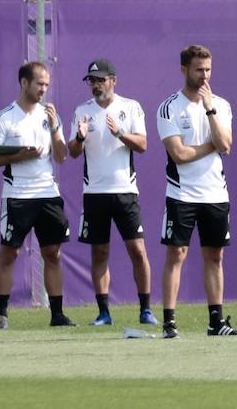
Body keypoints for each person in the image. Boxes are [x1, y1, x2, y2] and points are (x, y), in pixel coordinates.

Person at [156, 44, 237, 337]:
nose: (204, 75)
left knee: (215, 256)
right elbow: (179, 154)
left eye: (208, 69)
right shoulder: (169, 107)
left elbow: (227, 144)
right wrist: (213, 146)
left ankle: (216, 322)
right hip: (182, 194)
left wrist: (209, 110)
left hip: (215, 194)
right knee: (177, 253)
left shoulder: (221, 104)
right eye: (198, 69)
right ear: (184, 70)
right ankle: (169, 322)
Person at [0, 61, 73, 329]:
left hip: (47, 193)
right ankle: (2, 315)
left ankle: (57, 315)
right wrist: (20, 155)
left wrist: (56, 126)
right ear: (24, 83)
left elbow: (62, 156)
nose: (44, 89)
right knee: (10, 253)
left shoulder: (48, 115)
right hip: (18, 195)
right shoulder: (5, 117)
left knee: (53, 254)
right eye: (39, 84)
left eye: (47, 84)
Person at [67, 58, 156, 326]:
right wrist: (80, 137)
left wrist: (119, 133)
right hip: (94, 193)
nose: (95, 85)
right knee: (99, 252)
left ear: (113, 80)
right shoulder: (82, 111)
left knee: (137, 251)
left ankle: (146, 309)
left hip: (125, 191)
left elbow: (142, 144)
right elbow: (72, 152)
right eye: (92, 81)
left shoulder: (130, 107)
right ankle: (104, 312)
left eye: (101, 80)